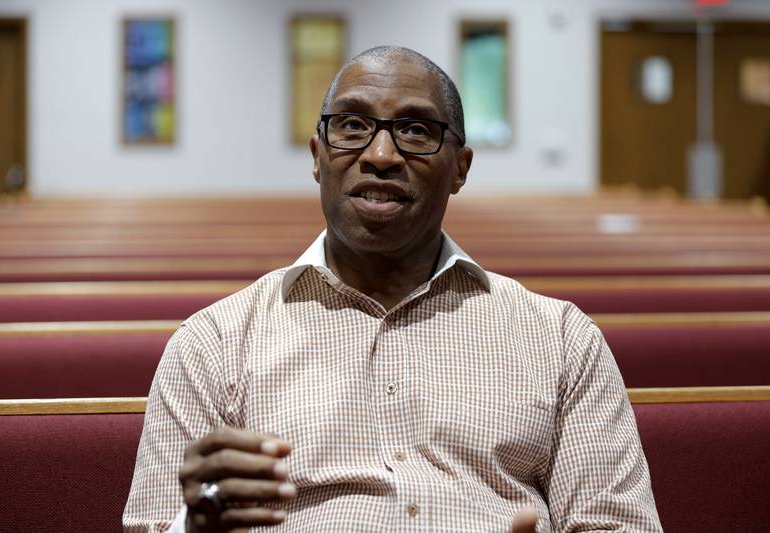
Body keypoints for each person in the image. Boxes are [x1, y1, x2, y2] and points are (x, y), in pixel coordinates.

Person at [124, 46, 662, 532]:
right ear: (317, 156)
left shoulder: (561, 340)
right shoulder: (213, 346)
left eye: (416, 131)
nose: (381, 155)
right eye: (353, 125)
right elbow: (155, 523)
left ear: (460, 168)